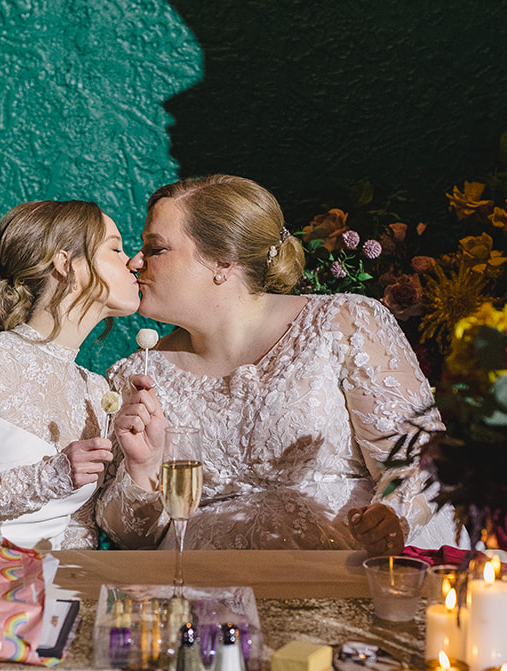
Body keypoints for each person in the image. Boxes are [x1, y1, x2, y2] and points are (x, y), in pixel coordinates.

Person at [96, 174, 456, 554]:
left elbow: (420, 457)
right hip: (208, 595)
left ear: (223, 260)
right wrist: (143, 469)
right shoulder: (136, 376)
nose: (136, 262)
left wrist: (392, 517)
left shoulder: (345, 322)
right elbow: (132, 538)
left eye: (155, 249)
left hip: (350, 569)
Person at [0, 200, 141, 549]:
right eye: (115, 248)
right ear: (66, 264)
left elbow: (81, 528)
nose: (133, 262)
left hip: (56, 590)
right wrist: (49, 476)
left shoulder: (97, 391)